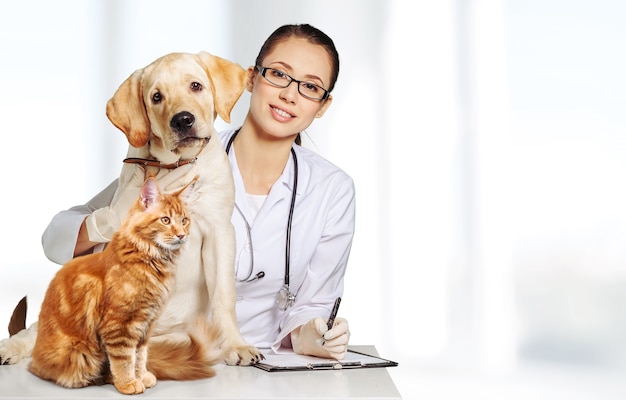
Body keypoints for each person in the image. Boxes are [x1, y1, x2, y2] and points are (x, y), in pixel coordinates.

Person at [41, 24, 355, 360]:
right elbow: (54, 239)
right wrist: (110, 220)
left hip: (263, 366)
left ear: (323, 105)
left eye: (310, 87)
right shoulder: (175, 159)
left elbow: (312, 309)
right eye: (279, 74)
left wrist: (316, 335)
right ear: (250, 79)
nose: (290, 95)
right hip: (169, 355)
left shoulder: (332, 190)